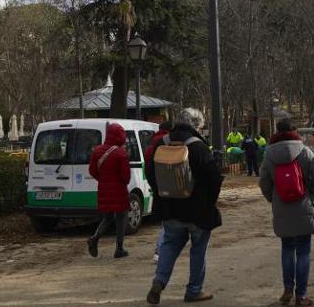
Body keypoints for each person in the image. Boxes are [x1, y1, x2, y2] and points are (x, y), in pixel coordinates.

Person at [146, 108, 223, 304]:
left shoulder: (161, 143)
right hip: (197, 210)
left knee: (169, 246)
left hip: (170, 207)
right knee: (198, 249)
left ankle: (159, 282)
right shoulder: (199, 146)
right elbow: (214, 178)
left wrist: (162, 194)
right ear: (197, 125)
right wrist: (209, 202)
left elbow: (150, 172)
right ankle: (194, 290)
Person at [260, 119, 314, 307]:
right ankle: (301, 296)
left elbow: (264, 182)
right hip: (303, 205)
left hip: (281, 208)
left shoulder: (268, 154)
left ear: (276, 131)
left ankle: (288, 288)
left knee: (287, 248)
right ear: (294, 130)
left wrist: (273, 198)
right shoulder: (304, 151)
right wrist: (310, 190)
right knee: (303, 251)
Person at [87, 123, 131, 259]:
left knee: (107, 217)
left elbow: (92, 171)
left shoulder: (97, 151)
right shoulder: (121, 153)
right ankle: (119, 248)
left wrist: (104, 180)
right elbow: (126, 177)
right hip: (119, 191)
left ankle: (95, 237)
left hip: (103, 189)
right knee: (121, 217)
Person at [144, 121, 173, 263]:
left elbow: (148, 168)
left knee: (167, 221)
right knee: (170, 222)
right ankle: (160, 251)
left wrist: (154, 185)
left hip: (159, 187)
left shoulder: (151, 144)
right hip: (171, 188)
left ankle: (161, 250)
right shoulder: (170, 143)